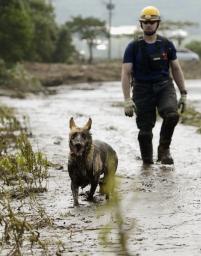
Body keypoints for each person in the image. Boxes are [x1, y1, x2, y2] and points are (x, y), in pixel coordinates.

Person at [121, 6, 187, 165]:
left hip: (164, 86)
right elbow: (126, 73)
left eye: (152, 22)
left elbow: (176, 69)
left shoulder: (166, 45)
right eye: (146, 22)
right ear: (141, 24)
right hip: (142, 89)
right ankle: (147, 163)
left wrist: (183, 93)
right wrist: (127, 99)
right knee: (145, 132)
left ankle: (164, 150)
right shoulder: (133, 47)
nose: (149, 25)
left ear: (158, 23)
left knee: (172, 115)